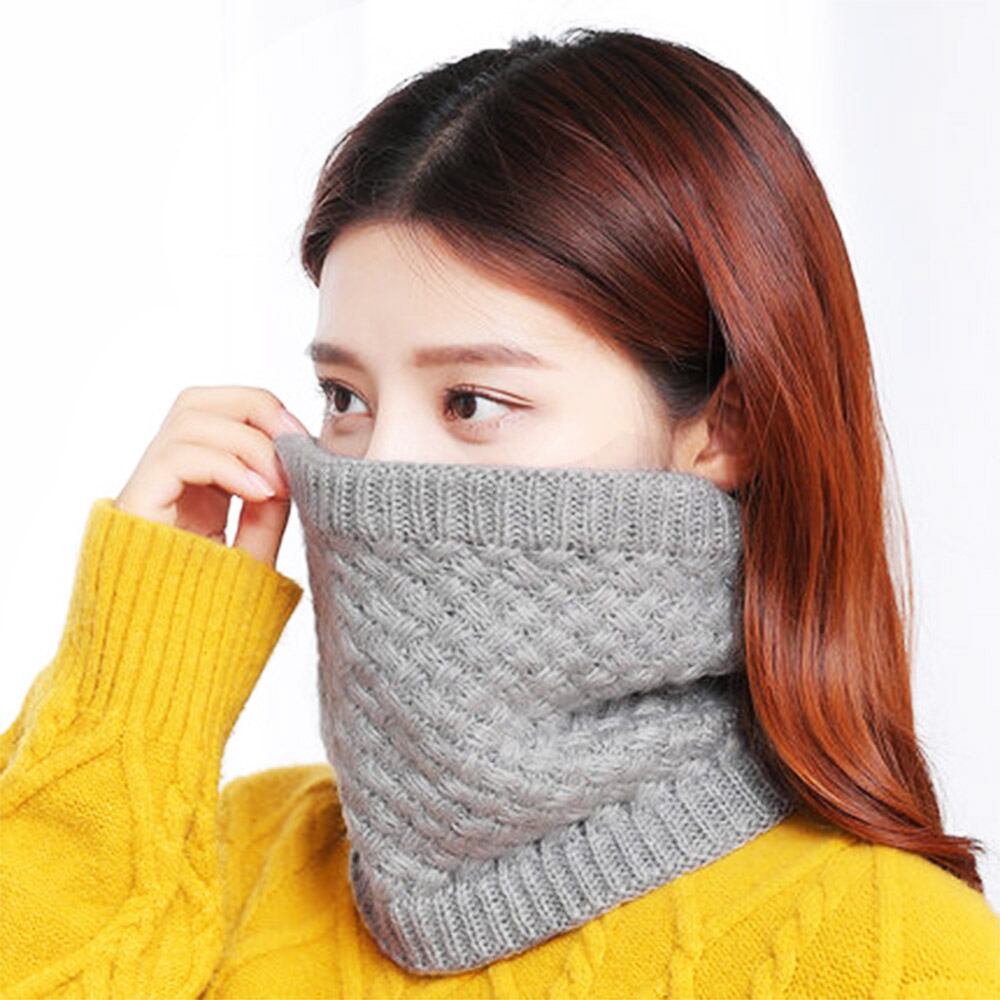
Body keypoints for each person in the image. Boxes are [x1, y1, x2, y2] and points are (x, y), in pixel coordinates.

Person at [2, 26, 998, 1000]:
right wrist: (129, 693)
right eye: (345, 397)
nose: (378, 472)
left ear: (723, 428)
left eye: (471, 402)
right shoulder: (212, 863)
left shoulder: (895, 957)